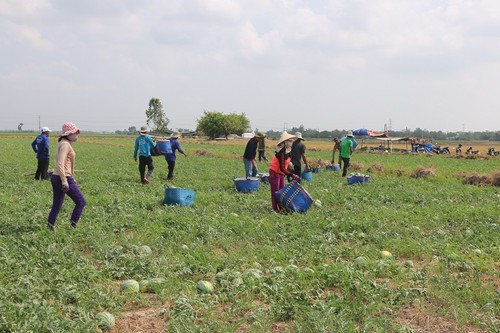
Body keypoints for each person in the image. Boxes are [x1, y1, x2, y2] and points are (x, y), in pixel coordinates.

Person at [47, 122, 86, 230]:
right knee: (81, 202)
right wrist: (65, 181)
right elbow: (60, 163)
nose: (76, 135)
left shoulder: (65, 143)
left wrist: (72, 177)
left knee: (57, 204)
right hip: (62, 177)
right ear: (67, 134)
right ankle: (73, 226)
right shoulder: (65, 144)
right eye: (74, 133)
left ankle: (50, 226)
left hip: (58, 177)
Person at [269, 131, 300, 212]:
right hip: (274, 171)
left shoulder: (289, 150)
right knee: (275, 191)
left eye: (292, 141)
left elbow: (286, 164)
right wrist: (292, 175)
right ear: (286, 142)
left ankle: (281, 206)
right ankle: (275, 209)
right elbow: (282, 167)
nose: (291, 142)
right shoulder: (282, 152)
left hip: (281, 172)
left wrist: (290, 165)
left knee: (282, 190)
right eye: (290, 141)